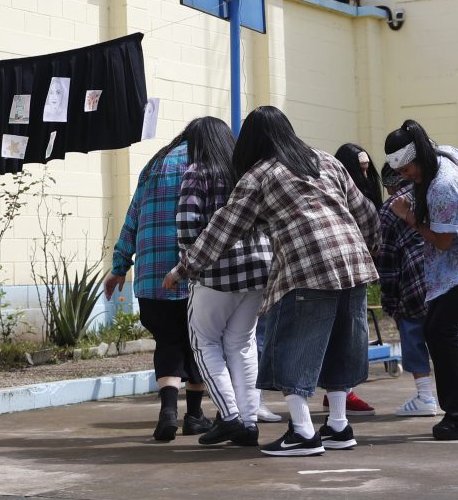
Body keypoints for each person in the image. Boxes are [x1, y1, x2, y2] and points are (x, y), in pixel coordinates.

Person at [164, 106, 382, 458]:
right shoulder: (326, 160)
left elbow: (224, 227)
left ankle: (302, 432)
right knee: (341, 346)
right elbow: (365, 212)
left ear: (251, 141)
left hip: (307, 268)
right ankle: (338, 426)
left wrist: (183, 267)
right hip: (355, 264)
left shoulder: (259, 175)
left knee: (292, 348)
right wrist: (372, 246)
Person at [383, 119, 458, 440]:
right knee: (436, 330)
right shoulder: (444, 154)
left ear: (420, 157)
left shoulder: (442, 188)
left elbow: (442, 241)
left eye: (409, 170)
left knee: (440, 331)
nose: (407, 178)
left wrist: (407, 216)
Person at [105, 129, 211, 442]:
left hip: (151, 279)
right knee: (199, 344)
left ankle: (167, 412)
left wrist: (119, 267)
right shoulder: (205, 165)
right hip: (191, 275)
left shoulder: (154, 165)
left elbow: (131, 218)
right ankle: (194, 416)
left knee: (167, 342)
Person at [175, 115, 272, 447]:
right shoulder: (247, 171)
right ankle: (249, 422)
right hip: (259, 271)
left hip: (214, 275)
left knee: (204, 343)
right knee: (242, 345)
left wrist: (186, 266)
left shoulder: (198, 172)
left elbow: (188, 226)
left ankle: (229, 417)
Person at [376, 162, 441, 417]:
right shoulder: (432, 193)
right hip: (445, 277)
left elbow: (388, 262)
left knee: (413, 336)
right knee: (448, 338)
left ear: (391, 184)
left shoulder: (390, 210)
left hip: (413, 282)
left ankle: (425, 397)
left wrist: (390, 301)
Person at [326, 143, 384, 414]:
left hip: (359, 266)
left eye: (366, 168)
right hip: (344, 267)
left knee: (349, 332)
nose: (364, 174)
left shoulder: (367, 189)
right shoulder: (342, 190)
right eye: (359, 169)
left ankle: (340, 391)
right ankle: (341, 392)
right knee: (345, 333)